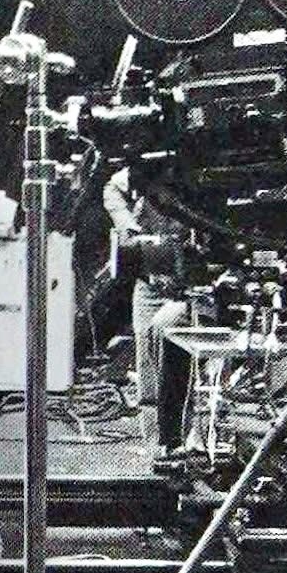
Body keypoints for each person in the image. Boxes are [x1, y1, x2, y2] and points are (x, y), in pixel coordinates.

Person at [100, 165, 190, 402]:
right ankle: (151, 418)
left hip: (187, 290)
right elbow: (112, 188)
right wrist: (127, 225)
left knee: (176, 354)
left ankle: (181, 416)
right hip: (149, 284)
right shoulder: (146, 168)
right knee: (147, 367)